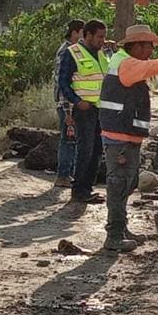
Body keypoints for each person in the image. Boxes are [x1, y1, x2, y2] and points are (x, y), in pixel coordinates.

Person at [99, 24, 158, 252]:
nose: (151, 51)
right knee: (119, 184)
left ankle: (121, 228)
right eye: (148, 46)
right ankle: (113, 235)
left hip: (127, 135)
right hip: (119, 136)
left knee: (128, 183)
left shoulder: (127, 62)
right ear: (137, 45)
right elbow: (152, 67)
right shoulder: (127, 64)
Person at [59, 20, 110, 206]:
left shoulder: (103, 55)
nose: (102, 40)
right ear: (87, 35)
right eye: (100, 36)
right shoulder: (72, 53)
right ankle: (79, 190)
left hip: (100, 109)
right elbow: (63, 82)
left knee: (96, 150)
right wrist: (76, 101)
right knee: (85, 149)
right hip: (85, 110)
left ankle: (87, 188)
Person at [53, 19, 85, 187]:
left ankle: (67, 175)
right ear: (74, 33)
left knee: (71, 139)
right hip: (67, 105)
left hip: (71, 104)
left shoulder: (74, 50)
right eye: (82, 33)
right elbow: (63, 82)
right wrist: (67, 111)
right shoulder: (66, 51)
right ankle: (63, 175)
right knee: (68, 139)